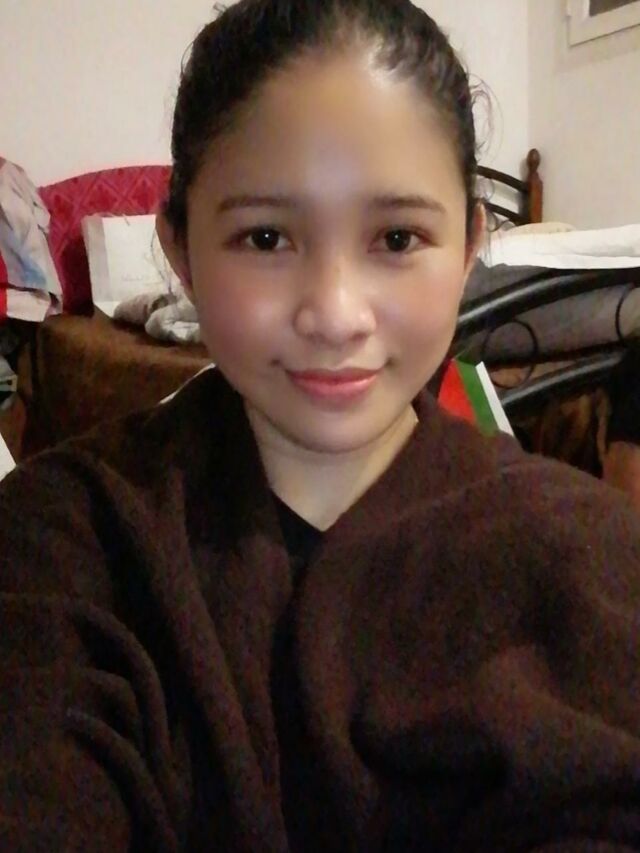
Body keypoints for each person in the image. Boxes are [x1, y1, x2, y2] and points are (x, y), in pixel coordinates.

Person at [2, 1, 640, 849]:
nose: (336, 315)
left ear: (469, 246)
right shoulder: (66, 534)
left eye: (398, 237)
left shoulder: (591, 554)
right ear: (182, 250)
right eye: (266, 237)